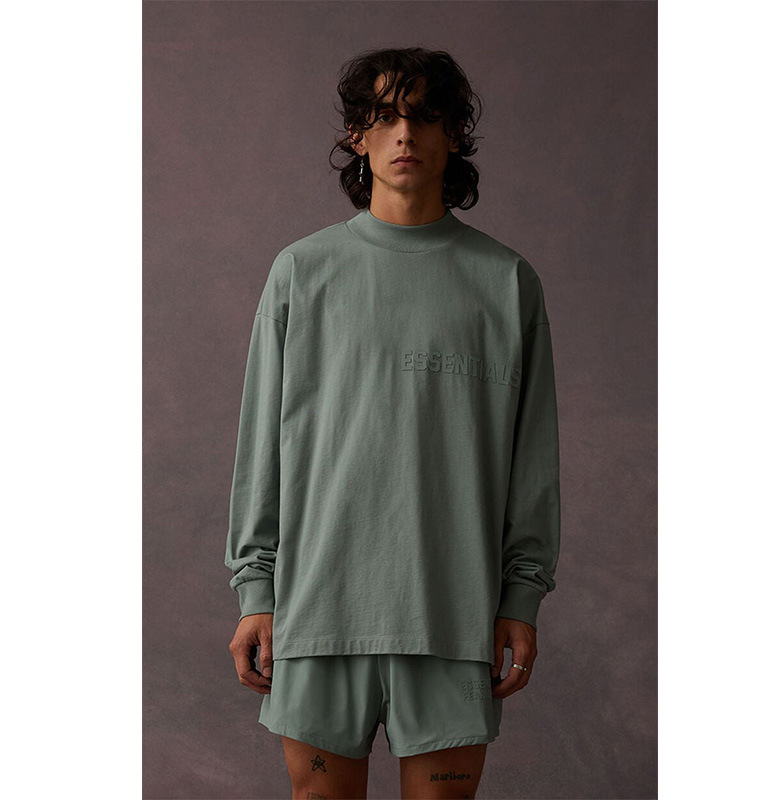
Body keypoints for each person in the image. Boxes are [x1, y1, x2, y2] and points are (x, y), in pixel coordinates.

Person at [224, 46, 561, 800]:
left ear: (453, 135)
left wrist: (521, 597)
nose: (405, 133)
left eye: (425, 116)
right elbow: (260, 446)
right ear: (358, 135)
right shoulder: (301, 273)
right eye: (384, 116)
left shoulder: (507, 283)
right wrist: (257, 591)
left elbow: (532, 460)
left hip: (454, 612)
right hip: (317, 609)